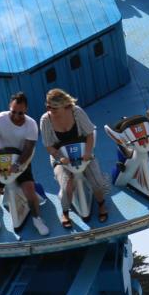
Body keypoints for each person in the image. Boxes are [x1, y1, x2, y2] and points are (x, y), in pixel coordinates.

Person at [39, 88, 109, 228]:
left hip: (83, 151)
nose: (49, 109)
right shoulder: (45, 120)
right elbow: (48, 146)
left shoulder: (77, 112)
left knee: (97, 181)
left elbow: (89, 134)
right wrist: (60, 158)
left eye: (53, 107)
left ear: (65, 106)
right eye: (47, 106)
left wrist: (88, 152)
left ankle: (101, 204)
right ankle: (65, 212)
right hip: (60, 155)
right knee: (66, 186)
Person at [0, 92, 49, 239]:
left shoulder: (31, 124)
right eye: (13, 112)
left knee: (30, 193)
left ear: (26, 110)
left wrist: (18, 164)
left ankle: (37, 219)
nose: (16, 116)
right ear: (9, 107)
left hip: (20, 159)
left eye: (20, 113)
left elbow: (29, 148)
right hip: (0, 161)